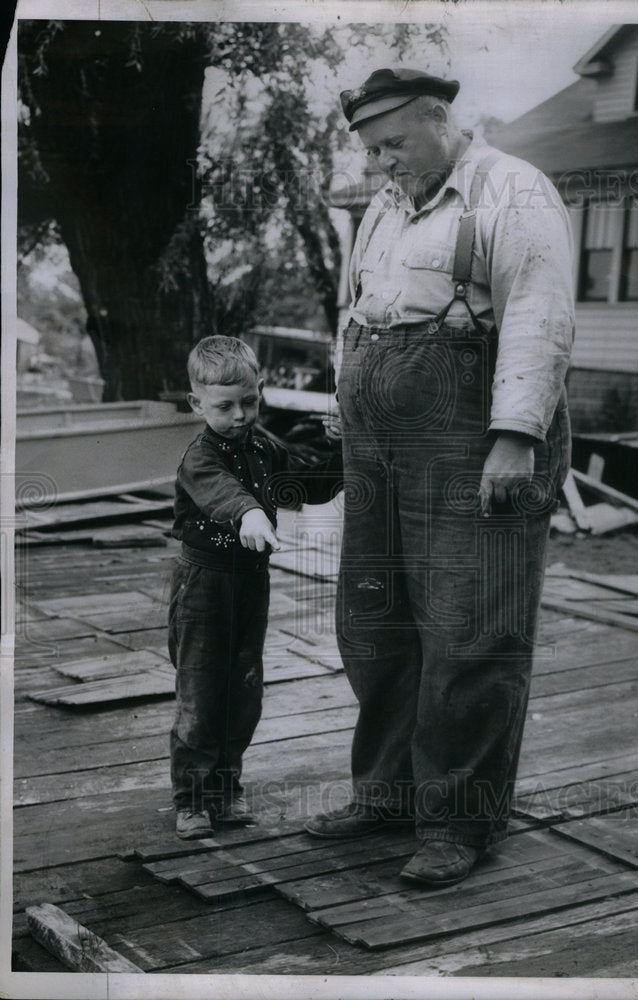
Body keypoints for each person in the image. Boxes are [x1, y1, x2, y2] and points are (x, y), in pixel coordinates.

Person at [304, 69, 575, 886]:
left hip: (474, 442)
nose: (383, 163)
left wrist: (514, 437)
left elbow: (538, 315)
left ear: (438, 116)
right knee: (375, 618)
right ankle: (385, 794)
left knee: (470, 631)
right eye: (372, 149)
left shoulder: (512, 191)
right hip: (380, 445)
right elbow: (357, 315)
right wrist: (342, 403)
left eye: (394, 143)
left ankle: (459, 824)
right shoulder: (388, 205)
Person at [168, 335, 340, 839]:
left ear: (261, 390)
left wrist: (340, 450)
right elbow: (222, 492)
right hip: (203, 586)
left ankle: (226, 788)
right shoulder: (198, 457)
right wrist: (248, 512)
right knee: (201, 692)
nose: (240, 415)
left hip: (251, 585)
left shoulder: (265, 447)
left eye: (249, 401)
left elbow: (309, 487)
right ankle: (193, 798)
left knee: (244, 692)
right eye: (224, 406)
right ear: (197, 404)